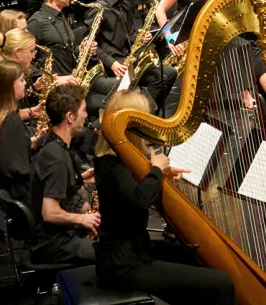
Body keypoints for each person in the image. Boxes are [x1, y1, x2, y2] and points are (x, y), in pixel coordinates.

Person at [93, 89, 235, 305]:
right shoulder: (113, 166)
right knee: (221, 282)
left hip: (136, 251)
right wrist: (156, 170)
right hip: (124, 265)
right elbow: (140, 199)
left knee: (193, 257)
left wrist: (160, 173)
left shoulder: (118, 158)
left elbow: (136, 185)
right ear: (130, 126)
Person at [29, 0, 120, 109]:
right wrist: (53, 78)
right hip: (60, 90)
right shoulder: (37, 22)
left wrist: (82, 50)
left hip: (76, 79)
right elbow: (23, 63)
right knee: (111, 105)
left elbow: (65, 50)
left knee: (124, 89)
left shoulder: (61, 15)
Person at [29, 85, 98, 265]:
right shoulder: (58, 159)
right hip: (55, 244)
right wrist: (83, 219)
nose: (86, 115)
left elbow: (52, 183)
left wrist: (82, 177)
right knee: (112, 255)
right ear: (70, 117)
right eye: (83, 110)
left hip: (55, 236)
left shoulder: (50, 141)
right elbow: (50, 213)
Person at [92, 0, 176, 106]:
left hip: (129, 60)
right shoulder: (98, 9)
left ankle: (148, 112)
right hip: (114, 65)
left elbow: (130, 34)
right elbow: (90, 47)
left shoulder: (125, 4)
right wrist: (111, 63)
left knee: (169, 74)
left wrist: (140, 37)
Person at [0, 60, 37, 204]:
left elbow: (7, 151)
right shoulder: (11, 121)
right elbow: (18, 170)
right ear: (8, 86)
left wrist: (34, 141)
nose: (25, 84)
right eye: (21, 80)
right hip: (15, 196)